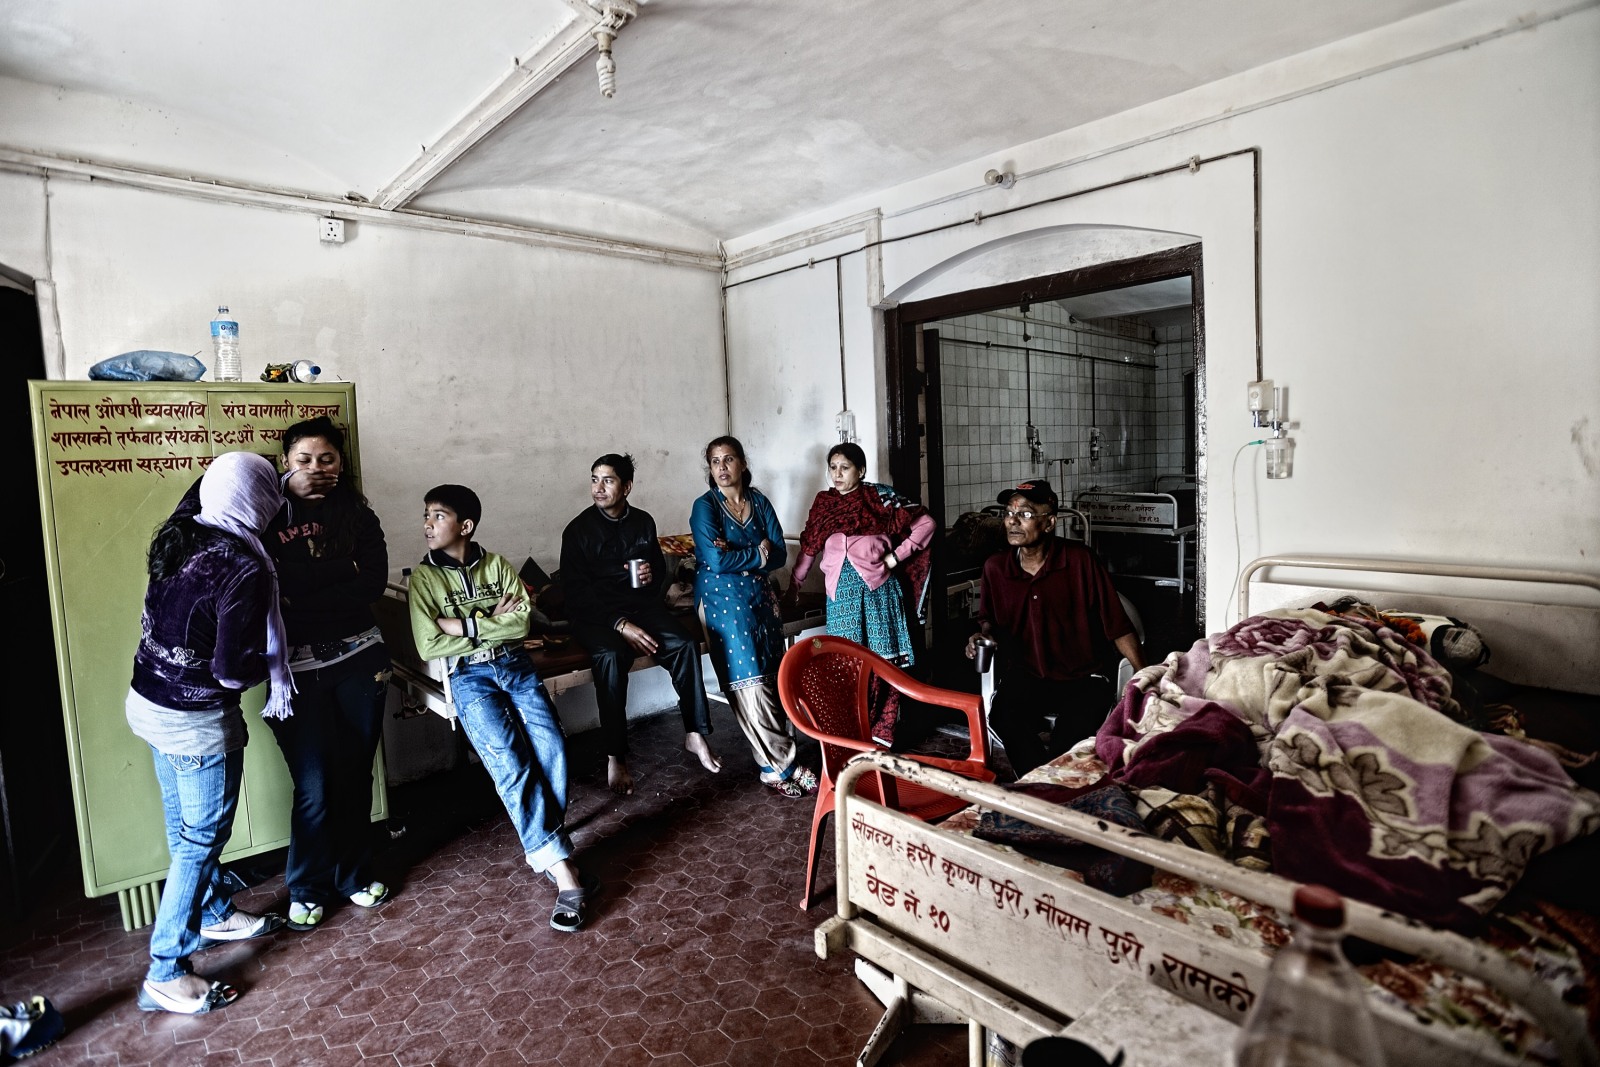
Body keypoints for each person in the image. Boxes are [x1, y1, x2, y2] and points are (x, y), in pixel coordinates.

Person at [126, 451, 289, 1015]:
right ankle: (166, 970)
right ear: (259, 502)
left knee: (185, 834)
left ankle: (215, 912)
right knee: (199, 841)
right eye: (272, 491)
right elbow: (228, 671)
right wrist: (273, 663)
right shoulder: (243, 566)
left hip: (147, 703)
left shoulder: (181, 531)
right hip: (195, 724)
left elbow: (206, 487)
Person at [408, 485, 593, 932]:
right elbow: (429, 643)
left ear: (465, 526)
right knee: (509, 763)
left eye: (438, 516)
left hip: (515, 664)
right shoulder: (424, 579)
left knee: (552, 747)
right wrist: (491, 621)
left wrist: (463, 625)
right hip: (469, 676)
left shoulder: (497, 565)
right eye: (426, 516)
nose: (427, 524)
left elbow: (522, 622)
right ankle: (562, 869)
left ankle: (548, 843)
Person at [266, 416, 392, 931]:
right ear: (285, 463)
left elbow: (373, 583)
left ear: (341, 463)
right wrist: (340, 572)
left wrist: (302, 591)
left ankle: (354, 875)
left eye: (327, 459)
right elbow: (269, 584)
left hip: (361, 658)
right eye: (304, 459)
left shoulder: (358, 515)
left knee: (355, 774)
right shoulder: (265, 514)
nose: (316, 468)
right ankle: (307, 886)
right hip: (295, 672)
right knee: (313, 785)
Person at [561, 453, 720, 796]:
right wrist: (620, 625)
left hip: (639, 607)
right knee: (610, 656)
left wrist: (651, 574)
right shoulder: (578, 531)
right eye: (594, 480)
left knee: (683, 644)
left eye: (608, 480)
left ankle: (695, 733)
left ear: (627, 486)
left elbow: (658, 571)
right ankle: (615, 755)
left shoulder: (643, 522)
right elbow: (575, 594)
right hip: (595, 616)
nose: (598, 488)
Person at [964, 479, 1146, 776]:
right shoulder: (995, 568)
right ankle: (1042, 786)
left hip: (1084, 676)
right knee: (1004, 719)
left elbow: (1118, 625)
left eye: (1025, 514)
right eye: (1009, 513)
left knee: (1070, 738)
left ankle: (1046, 786)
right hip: (1027, 675)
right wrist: (981, 636)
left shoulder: (1080, 561)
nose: (1012, 521)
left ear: (1049, 523)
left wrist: (1145, 677)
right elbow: (989, 621)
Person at [690, 437, 818, 798]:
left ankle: (770, 767)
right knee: (750, 683)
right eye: (715, 461)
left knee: (773, 678)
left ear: (743, 463)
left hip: (761, 600)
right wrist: (756, 554)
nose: (722, 467)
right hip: (721, 601)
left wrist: (741, 552)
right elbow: (716, 561)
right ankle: (784, 766)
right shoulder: (705, 507)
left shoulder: (759, 503)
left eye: (728, 459)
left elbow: (779, 554)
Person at [787, 442, 936, 745]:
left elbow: (926, 524)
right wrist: (794, 588)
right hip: (841, 599)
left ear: (862, 470)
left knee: (883, 664)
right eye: (833, 467)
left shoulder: (879, 499)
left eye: (845, 467)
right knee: (846, 666)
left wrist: (895, 558)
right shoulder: (825, 504)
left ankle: (882, 734)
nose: (837, 474)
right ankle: (851, 735)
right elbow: (809, 549)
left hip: (879, 594)